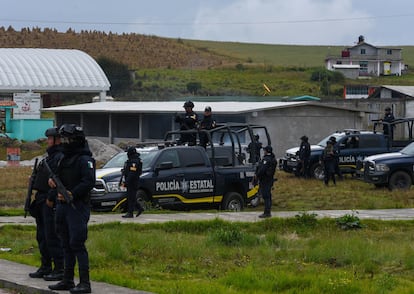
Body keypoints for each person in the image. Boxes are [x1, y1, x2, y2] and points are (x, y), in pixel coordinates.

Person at [48, 124, 95, 294]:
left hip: (77, 206)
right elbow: (57, 177)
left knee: (77, 243)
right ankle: (67, 280)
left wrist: (72, 193)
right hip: (62, 206)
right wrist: (53, 185)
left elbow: (89, 182)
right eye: (63, 139)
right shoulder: (63, 158)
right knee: (65, 243)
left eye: (68, 139)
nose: (65, 143)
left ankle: (85, 283)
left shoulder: (85, 159)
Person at [28, 127, 64, 281]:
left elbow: (57, 180)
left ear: (58, 140)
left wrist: (50, 197)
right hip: (41, 199)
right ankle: (45, 265)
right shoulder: (47, 158)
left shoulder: (59, 157)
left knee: (52, 236)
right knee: (42, 236)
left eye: (50, 138)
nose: (48, 141)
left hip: (50, 201)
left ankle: (59, 268)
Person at [121, 146, 144, 218]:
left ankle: (130, 213)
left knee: (131, 197)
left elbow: (132, 173)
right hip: (131, 181)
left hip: (132, 182)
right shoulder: (132, 160)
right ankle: (139, 208)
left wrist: (126, 182)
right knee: (131, 197)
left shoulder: (134, 161)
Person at [255, 145, 277, 218]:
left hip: (265, 180)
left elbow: (262, 169)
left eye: (264, 150)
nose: (263, 151)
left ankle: (267, 212)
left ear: (267, 151)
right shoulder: (272, 158)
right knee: (268, 196)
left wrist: (257, 175)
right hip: (269, 179)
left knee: (266, 196)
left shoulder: (266, 159)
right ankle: (268, 211)